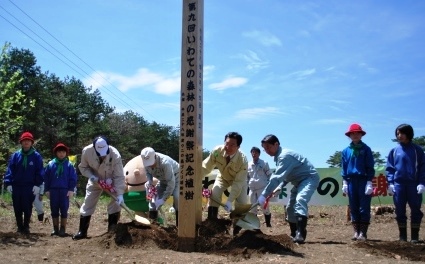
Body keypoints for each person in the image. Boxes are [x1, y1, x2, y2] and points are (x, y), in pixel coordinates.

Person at [257, 134, 319, 244]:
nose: (266, 151)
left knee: (300, 200)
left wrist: (264, 195)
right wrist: (279, 187)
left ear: (276, 144)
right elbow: (286, 175)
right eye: (264, 148)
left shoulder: (285, 156)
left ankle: (301, 233)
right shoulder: (278, 157)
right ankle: (294, 233)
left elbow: (277, 177)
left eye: (268, 147)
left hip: (309, 179)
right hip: (298, 182)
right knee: (290, 207)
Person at [72, 136, 126, 240]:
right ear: (94, 148)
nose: (102, 155)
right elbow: (83, 167)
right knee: (88, 203)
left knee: (115, 204)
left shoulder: (115, 155)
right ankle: (82, 231)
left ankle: (112, 231)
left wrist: (120, 194)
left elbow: (119, 176)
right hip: (95, 180)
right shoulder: (87, 151)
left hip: (112, 181)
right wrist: (91, 176)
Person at [202, 132, 248, 235]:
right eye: (227, 143)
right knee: (214, 194)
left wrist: (229, 201)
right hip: (222, 177)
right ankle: (211, 224)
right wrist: (196, 180)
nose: (228, 147)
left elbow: (238, 183)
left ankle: (237, 231)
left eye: (232, 145)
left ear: (238, 146)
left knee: (241, 204)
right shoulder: (217, 151)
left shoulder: (243, 160)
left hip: (239, 181)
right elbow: (205, 167)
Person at [386, 124, 425, 243]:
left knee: (416, 210)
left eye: (402, 133)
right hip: (398, 185)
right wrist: (391, 183)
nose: (399, 136)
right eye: (397, 133)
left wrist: (422, 183)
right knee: (399, 210)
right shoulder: (394, 151)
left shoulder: (417, 150)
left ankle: (414, 237)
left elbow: (423, 167)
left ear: (408, 134)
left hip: (413, 184)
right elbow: (390, 169)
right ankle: (402, 237)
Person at [4, 132, 44, 234]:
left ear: (31, 143)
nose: (26, 142)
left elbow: (39, 171)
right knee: (17, 207)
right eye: (24, 141)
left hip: (29, 186)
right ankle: (19, 226)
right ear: (21, 142)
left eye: (28, 141)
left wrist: (37, 184)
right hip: (16, 186)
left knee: (27, 206)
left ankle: (26, 226)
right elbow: (10, 170)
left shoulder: (36, 156)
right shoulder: (16, 155)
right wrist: (8, 183)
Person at [341, 123, 375, 241]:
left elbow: (370, 166)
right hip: (351, 181)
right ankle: (356, 232)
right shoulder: (346, 151)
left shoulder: (366, 149)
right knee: (353, 206)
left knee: (364, 207)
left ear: (361, 135)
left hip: (363, 180)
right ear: (349, 135)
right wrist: (344, 182)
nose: (355, 135)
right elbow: (344, 167)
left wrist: (369, 182)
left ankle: (363, 233)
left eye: (357, 133)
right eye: (353, 133)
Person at [44, 143, 77, 237]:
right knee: (54, 209)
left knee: (64, 209)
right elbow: (46, 178)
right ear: (56, 153)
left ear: (66, 153)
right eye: (59, 152)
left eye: (63, 152)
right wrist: (47, 190)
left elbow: (73, 178)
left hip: (65, 191)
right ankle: (55, 228)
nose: (61, 154)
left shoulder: (69, 165)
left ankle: (63, 228)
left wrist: (71, 189)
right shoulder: (51, 164)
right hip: (53, 190)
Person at [141, 147, 179, 226]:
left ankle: (180, 227)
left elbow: (171, 183)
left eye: (151, 163)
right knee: (153, 201)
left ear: (155, 157)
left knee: (177, 197)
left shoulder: (165, 163)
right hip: (163, 180)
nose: (150, 166)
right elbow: (148, 173)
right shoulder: (146, 162)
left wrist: (163, 199)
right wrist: (149, 181)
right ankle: (154, 227)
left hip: (177, 178)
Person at [247, 146, 272, 227]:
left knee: (264, 207)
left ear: (259, 154)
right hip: (252, 189)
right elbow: (247, 177)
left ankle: (268, 223)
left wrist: (269, 187)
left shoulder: (264, 163)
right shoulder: (248, 165)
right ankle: (254, 225)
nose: (254, 154)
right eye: (252, 152)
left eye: (256, 152)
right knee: (252, 207)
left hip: (262, 189)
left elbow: (269, 175)